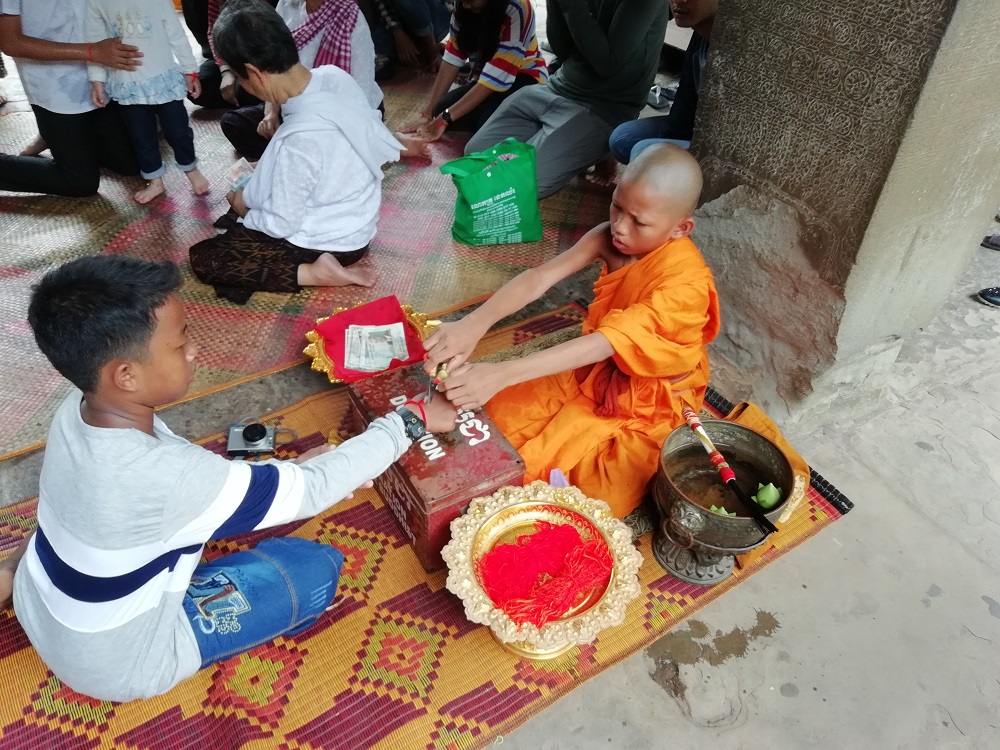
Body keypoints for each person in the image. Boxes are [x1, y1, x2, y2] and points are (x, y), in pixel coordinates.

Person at [0, 255, 456, 701]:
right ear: (126, 375)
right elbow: (312, 491)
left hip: (33, 597)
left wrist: (290, 474)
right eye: (180, 344)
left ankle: (8, 575)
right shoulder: (173, 480)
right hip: (118, 665)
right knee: (313, 568)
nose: (194, 349)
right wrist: (410, 420)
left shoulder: (74, 411)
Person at [424, 144, 720, 518]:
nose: (620, 227)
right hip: (596, 367)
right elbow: (539, 277)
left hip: (649, 397)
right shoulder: (609, 237)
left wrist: (501, 371)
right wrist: (473, 324)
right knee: (495, 413)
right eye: (616, 206)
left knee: (598, 498)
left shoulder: (684, 286)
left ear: (681, 228)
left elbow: (607, 342)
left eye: (639, 222)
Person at [189, 0, 427, 303]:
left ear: (253, 73)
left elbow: (280, 224)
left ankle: (314, 273)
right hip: (358, 228)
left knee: (207, 258)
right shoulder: (333, 76)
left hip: (330, 244)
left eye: (240, 78)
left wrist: (242, 209)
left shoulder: (298, 142)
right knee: (248, 193)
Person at [462, 0, 667, 198]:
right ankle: (565, 146)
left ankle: (604, 147)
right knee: (474, 155)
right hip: (556, 87)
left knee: (519, 184)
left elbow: (608, 65)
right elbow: (561, 49)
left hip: (601, 106)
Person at [0, 0, 143, 197]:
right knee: (80, 181)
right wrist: (92, 52)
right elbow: (11, 42)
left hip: (100, 78)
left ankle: (56, 137)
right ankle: (55, 135)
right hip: (55, 88)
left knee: (136, 162)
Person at [220, 0, 384, 162]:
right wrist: (271, 113)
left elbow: (361, 91)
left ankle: (301, 154)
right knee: (233, 123)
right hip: (291, 98)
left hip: (348, 112)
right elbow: (273, 66)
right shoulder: (286, 5)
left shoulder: (349, 14)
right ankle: (299, 153)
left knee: (316, 148)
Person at [86, 0, 210, 204]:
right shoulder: (96, 3)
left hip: (164, 81)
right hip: (128, 86)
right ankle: (155, 180)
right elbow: (94, 43)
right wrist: (97, 80)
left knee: (178, 132)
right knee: (141, 137)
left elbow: (176, 34)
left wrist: (190, 70)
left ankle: (191, 168)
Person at [399, 0, 546, 141]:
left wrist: (446, 117)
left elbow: (496, 76)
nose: (465, 5)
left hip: (523, 75)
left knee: (481, 126)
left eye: (470, 0)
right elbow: (452, 58)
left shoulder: (517, 8)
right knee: (441, 108)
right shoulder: (462, 5)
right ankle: (501, 115)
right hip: (485, 76)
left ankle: (533, 112)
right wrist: (428, 113)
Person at [606, 0, 717, 167]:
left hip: (721, 146)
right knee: (622, 139)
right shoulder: (699, 37)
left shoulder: (738, 51)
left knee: (645, 154)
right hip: (692, 128)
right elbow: (681, 119)